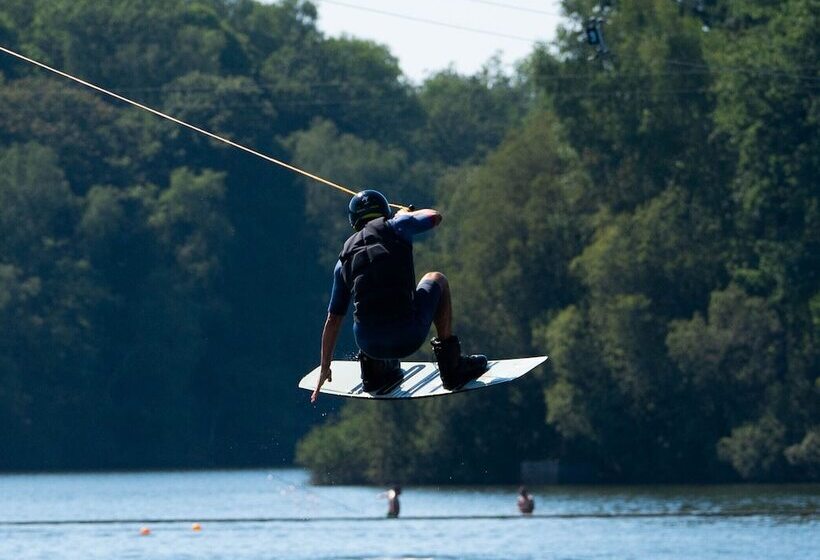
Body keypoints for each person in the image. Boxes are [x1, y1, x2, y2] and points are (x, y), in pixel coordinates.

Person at [311, 189, 487, 402]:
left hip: (370, 345)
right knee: (437, 278)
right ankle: (452, 368)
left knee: (366, 299)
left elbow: (333, 320)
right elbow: (435, 216)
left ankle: (373, 374)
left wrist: (325, 367)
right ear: (385, 211)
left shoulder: (343, 261)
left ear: (354, 222)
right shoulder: (397, 226)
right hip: (408, 337)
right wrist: (405, 215)